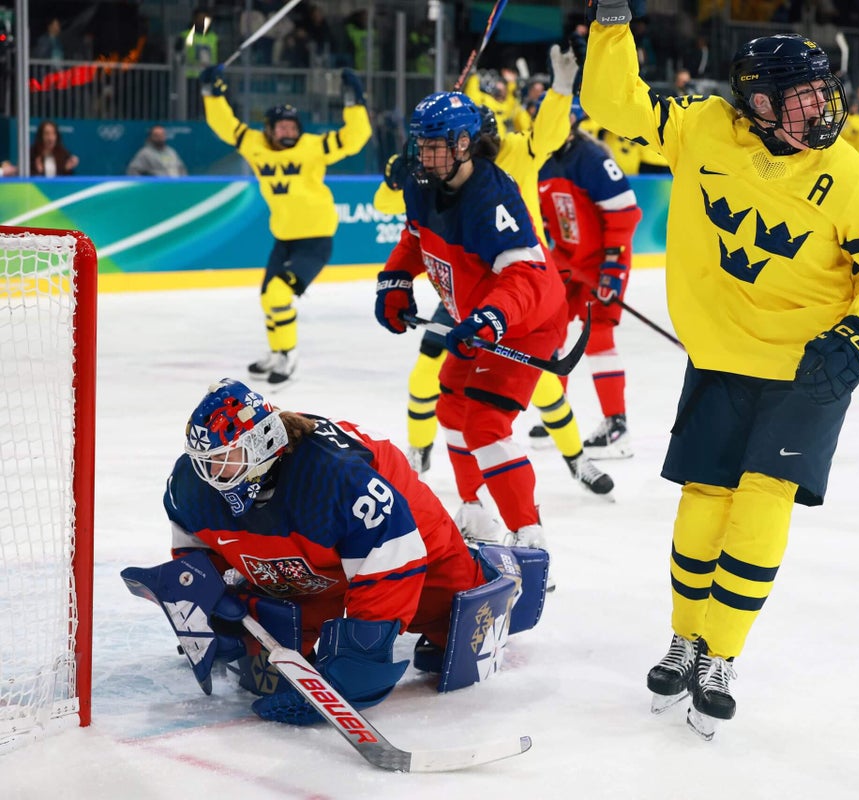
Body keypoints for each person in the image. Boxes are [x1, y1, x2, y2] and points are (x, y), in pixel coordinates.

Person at [582, 7, 859, 740]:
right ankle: (684, 638)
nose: (822, 107)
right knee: (705, 498)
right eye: (802, 95)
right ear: (758, 103)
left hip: (809, 367)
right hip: (724, 359)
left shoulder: (851, 173)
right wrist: (610, 24)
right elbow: (612, 105)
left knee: (763, 499)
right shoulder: (700, 126)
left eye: (822, 91)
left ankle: (722, 654)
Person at [121, 379, 549, 723]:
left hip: (402, 518)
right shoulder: (194, 484)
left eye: (223, 460)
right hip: (320, 555)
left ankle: (489, 568)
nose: (209, 474)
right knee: (270, 653)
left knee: (451, 616)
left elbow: (393, 557)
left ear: (260, 445)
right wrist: (213, 601)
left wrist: (360, 660)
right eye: (203, 460)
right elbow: (196, 554)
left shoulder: (335, 477)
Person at [373, 46, 614, 499]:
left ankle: (575, 458)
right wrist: (396, 178)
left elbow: (548, 133)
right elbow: (398, 216)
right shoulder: (434, 171)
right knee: (427, 378)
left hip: (512, 291)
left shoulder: (516, 155)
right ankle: (417, 456)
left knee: (544, 389)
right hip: (457, 292)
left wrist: (561, 91)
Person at [373, 91, 568, 557]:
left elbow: (526, 275)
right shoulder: (422, 184)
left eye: (435, 145)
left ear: (464, 143)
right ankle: (475, 511)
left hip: (525, 322)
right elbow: (416, 238)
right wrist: (395, 281)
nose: (424, 154)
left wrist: (490, 318)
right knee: (451, 408)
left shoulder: (492, 194)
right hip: (479, 319)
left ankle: (528, 536)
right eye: (421, 144)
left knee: (485, 423)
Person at [200, 64, 371, 385]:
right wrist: (212, 94)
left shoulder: (313, 146)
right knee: (268, 297)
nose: (289, 131)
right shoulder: (254, 144)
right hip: (284, 238)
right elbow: (225, 125)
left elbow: (355, 138)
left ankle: (289, 356)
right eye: (282, 127)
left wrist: (354, 102)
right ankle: (276, 353)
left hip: (316, 238)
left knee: (279, 293)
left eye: (293, 126)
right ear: (268, 129)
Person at [534, 95, 642, 459]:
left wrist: (612, 268)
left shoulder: (592, 158)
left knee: (597, 338)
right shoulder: (542, 160)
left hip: (601, 263)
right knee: (550, 329)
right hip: (567, 261)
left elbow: (624, 215)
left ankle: (616, 426)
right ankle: (557, 413)